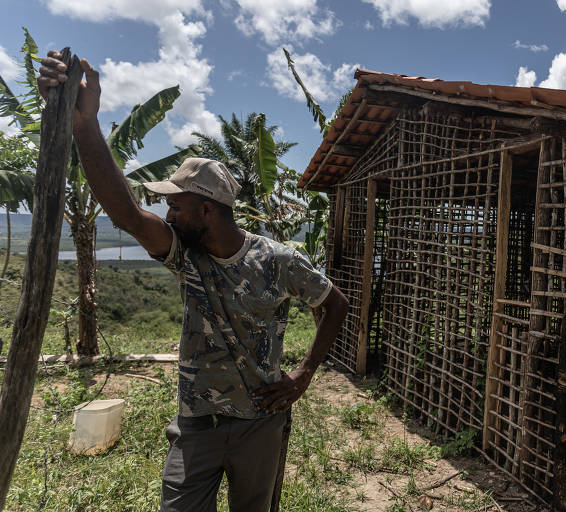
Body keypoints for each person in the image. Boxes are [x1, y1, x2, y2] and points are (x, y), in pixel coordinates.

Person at [38, 51, 349, 512]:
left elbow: (336, 304)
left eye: (177, 206)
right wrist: (85, 123)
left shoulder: (278, 260)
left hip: (258, 422)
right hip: (196, 425)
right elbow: (127, 212)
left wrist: (303, 375)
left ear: (207, 210)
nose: (169, 214)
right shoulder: (187, 257)